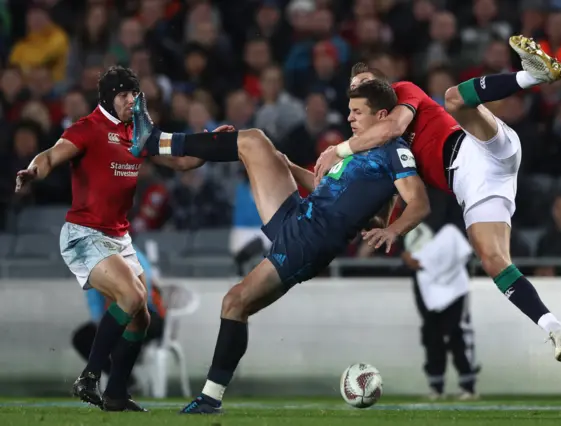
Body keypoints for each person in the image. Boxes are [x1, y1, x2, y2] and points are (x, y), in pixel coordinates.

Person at [130, 79, 430, 414]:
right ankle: (158, 143)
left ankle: (210, 398)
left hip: (310, 241)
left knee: (235, 303)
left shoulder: (394, 150)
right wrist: (285, 166)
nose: (350, 119)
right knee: (255, 141)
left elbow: (417, 203)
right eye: (349, 111)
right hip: (300, 215)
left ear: (383, 115)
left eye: (358, 112)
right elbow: (323, 189)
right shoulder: (356, 148)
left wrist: (394, 230)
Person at [314, 35, 561, 361]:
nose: (360, 93)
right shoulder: (376, 150)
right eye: (355, 91)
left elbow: (393, 128)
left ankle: (533, 76)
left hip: (477, 147)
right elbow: (402, 197)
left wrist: (338, 150)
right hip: (474, 187)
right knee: (494, 261)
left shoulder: (404, 93)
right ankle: (555, 328)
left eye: (367, 85)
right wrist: (385, 226)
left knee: (452, 98)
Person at [14, 66, 219, 411]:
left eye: (134, 95)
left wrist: (214, 145)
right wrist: (34, 170)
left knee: (142, 317)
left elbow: (181, 162)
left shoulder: (138, 133)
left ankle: (116, 394)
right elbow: (51, 155)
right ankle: (90, 376)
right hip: (84, 233)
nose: (131, 101)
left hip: (118, 237)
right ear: (109, 98)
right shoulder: (87, 128)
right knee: (131, 295)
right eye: (124, 95)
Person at [71, 247, 167, 393]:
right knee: (82, 338)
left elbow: (142, 294)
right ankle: (125, 380)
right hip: (112, 315)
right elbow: (95, 304)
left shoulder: (134, 255)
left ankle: (119, 380)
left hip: (145, 313)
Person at [403, 223, 479, 400]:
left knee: (456, 336)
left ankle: (468, 385)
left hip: (455, 291)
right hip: (430, 286)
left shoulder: (448, 236)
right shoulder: (414, 233)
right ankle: (436, 387)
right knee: (432, 336)